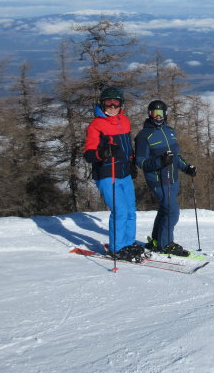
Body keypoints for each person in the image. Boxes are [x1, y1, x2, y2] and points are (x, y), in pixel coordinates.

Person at [83, 87, 143, 262]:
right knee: (120, 211)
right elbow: (88, 154)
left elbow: (128, 147)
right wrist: (103, 153)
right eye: (108, 102)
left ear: (121, 104)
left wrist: (132, 163)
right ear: (102, 104)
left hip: (124, 173)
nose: (111, 106)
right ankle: (116, 248)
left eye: (115, 102)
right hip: (107, 174)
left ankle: (128, 243)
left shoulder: (125, 121)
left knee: (131, 210)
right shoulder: (96, 125)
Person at [135, 100, 197, 256]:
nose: (157, 117)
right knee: (172, 211)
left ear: (165, 114)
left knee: (165, 209)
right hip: (159, 180)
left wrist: (186, 167)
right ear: (149, 114)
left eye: (160, 113)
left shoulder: (170, 131)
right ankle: (166, 244)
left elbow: (176, 156)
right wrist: (160, 161)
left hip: (173, 179)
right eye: (154, 113)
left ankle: (157, 240)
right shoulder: (144, 136)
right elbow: (140, 162)